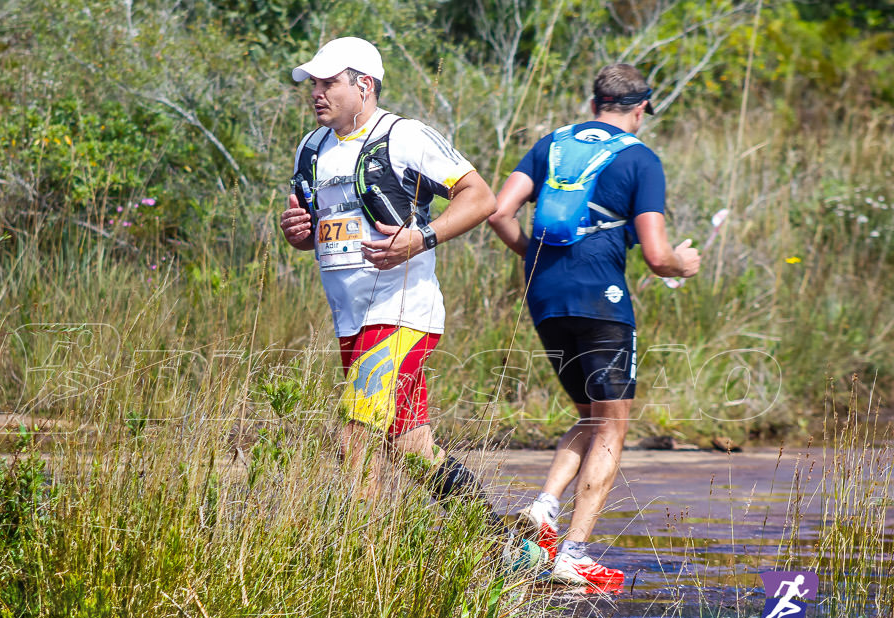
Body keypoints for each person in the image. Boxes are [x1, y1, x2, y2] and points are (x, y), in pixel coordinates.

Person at [280, 36, 538, 563]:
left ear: (364, 85)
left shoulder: (404, 136)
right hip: (351, 318)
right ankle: (504, 548)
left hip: (400, 312)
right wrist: (298, 230)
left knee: (356, 436)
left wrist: (423, 237)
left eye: (329, 82)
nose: (317, 92)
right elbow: (310, 225)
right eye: (313, 83)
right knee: (409, 446)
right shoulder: (312, 147)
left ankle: (361, 566)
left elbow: (481, 197)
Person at [488, 64, 701, 585]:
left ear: (593, 104)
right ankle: (574, 554)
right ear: (641, 108)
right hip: (601, 301)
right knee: (612, 425)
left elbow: (498, 212)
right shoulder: (641, 160)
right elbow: (655, 255)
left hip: (545, 298)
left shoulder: (550, 146)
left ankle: (543, 510)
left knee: (589, 414)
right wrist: (682, 262)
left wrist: (533, 258)